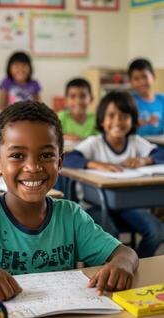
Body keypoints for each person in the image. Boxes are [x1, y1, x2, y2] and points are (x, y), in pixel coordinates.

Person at [0, 101, 138, 301]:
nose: (33, 167)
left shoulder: (70, 216)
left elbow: (125, 253)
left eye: (46, 155)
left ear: (60, 161)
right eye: (17, 156)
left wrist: (122, 264)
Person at [64, 91, 164, 258]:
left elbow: (160, 154)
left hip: (129, 205)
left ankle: (137, 263)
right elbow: (68, 158)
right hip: (94, 205)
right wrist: (96, 164)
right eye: (111, 116)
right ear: (102, 120)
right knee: (110, 238)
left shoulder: (135, 142)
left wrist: (144, 160)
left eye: (124, 116)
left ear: (132, 120)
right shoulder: (94, 143)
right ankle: (115, 268)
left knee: (156, 232)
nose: (118, 121)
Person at [128, 58, 164, 136]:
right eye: (136, 79)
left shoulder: (162, 100)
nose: (141, 82)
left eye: (144, 77)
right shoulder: (129, 101)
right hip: (136, 145)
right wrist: (145, 121)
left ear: (153, 77)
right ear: (130, 82)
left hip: (160, 145)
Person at [58, 78, 97, 143]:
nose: (78, 101)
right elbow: (51, 136)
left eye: (83, 96)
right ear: (66, 100)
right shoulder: (60, 117)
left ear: (91, 98)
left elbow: (101, 138)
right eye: (72, 96)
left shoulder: (96, 119)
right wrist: (65, 136)